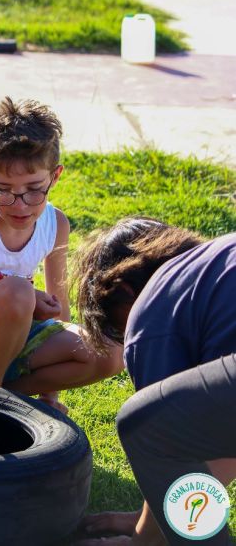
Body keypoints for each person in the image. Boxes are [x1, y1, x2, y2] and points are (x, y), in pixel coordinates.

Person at [0, 98, 123, 411]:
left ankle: (7, 398)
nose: (20, 203)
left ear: (55, 176)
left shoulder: (56, 225)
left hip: (16, 346)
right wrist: (20, 300)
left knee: (109, 353)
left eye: (34, 188)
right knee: (17, 291)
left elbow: (59, 311)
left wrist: (50, 396)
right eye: (3, 189)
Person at [73, 218, 236, 545]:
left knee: (140, 422)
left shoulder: (154, 308)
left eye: (118, 331)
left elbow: (176, 447)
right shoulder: (217, 261)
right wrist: (152, 520)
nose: (128, 338)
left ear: (123, 292)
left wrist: (141, 540)